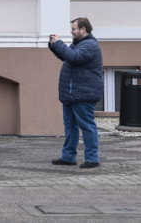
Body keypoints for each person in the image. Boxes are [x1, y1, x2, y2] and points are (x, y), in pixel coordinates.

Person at [49, 17, 103, 169]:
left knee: (87, 126)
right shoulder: (79, 44)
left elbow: (74, 57)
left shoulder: (90, 45)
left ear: (83, 29)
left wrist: (59, 43)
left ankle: (92, 159)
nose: (71, 32)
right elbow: (66, 56)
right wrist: (53, 45)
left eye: (74, 29)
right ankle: (68, 157)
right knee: (70, 127)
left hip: (83, 94)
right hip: (71, 93)